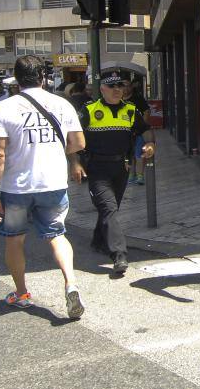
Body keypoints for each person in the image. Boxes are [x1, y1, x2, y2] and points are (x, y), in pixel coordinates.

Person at [0, 55, 87, 318]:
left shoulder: (4, 108)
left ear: (17, 79)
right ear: (43, 77)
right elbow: (78, 144)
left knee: (14, 239)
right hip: (52, 182)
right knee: (57, 235)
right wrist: (53, 150)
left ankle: (21, 293)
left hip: (16, 187)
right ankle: (71, 284)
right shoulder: (61, 104)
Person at [71, 74, 156, 275]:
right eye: (112, 86)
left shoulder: (130, 110)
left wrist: (150, 144)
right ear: (102, 89)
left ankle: (98, 240)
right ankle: (119, 254)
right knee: (109, 208)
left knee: (111, 208)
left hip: (121, 168)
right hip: (97, 168)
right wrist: (75, 163)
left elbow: (145, 130)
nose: (117, 89)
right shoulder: (90, 110)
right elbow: (73, 135)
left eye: (121, 85)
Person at [122, 78, 150, 185]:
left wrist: (143, 126)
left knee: (138, 154)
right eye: (123, 86)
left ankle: (140, 176)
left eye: (128, 86)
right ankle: (131, 175)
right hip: (125, 133)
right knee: (129, 155)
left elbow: (146, 111)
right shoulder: (118, 100)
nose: (126, 88)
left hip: (138, 132)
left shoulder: (138, 98)